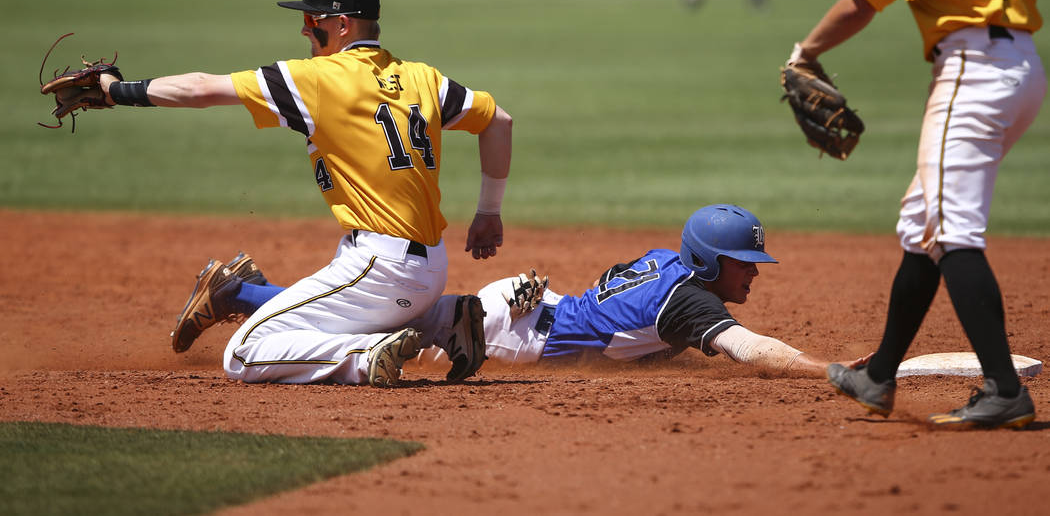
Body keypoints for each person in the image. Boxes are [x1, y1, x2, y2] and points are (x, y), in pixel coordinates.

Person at [101, 0, 513, 387]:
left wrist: (117, 91)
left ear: (341, 25)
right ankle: (445, 319)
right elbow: (498, 121)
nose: (304, 31)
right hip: (430, 267)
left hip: (380, 268)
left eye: (310, 21)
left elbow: (200, 89)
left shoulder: (316, 79)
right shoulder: (423, 78)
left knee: (243, 353)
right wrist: (488, 213)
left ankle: (364, 356)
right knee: (331, 306)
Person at [788, 0, 1046, 428]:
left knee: (953, 230)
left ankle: (1004, 389)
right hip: (1023, 68)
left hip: (971, 72)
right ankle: (879, 376)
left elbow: (863, 0)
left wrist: (806, 53)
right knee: (923, 224)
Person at [190, 205, 855, 377]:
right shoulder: (692, 303)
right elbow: (751, 349)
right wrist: (820, 367)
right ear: (711, 264)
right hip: (514, 333)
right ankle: (246, 298)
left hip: (529, 304)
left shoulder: (667, 261)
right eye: (745, 261)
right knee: (375, 336)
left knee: (405, 319)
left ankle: (243, 292)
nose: (755, 270)